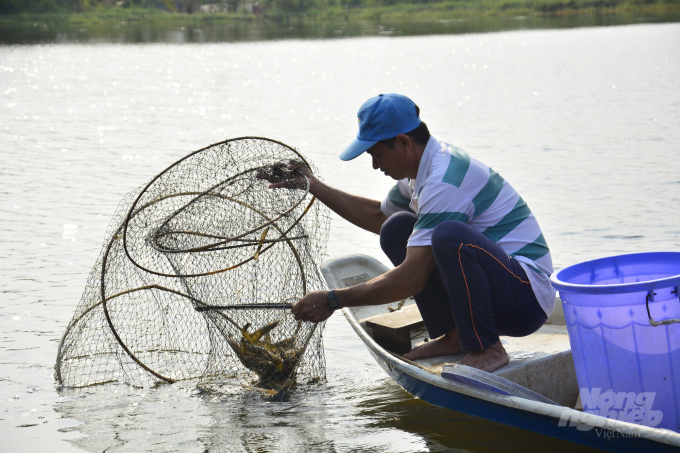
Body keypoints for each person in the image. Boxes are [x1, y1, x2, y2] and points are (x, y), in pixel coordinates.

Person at [268, 93, 555, 373]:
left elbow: (412, 278)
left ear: (403, 143)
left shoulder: (444, 181)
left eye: (377, 154)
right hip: (499, 289)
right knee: (396, 228)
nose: (375, 165)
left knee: (449, 236)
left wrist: (333, 299)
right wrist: (312, 185)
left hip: (526, 300)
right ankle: (456, 334)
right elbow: (378, 217)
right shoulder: (420, 172)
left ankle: (488, 348)